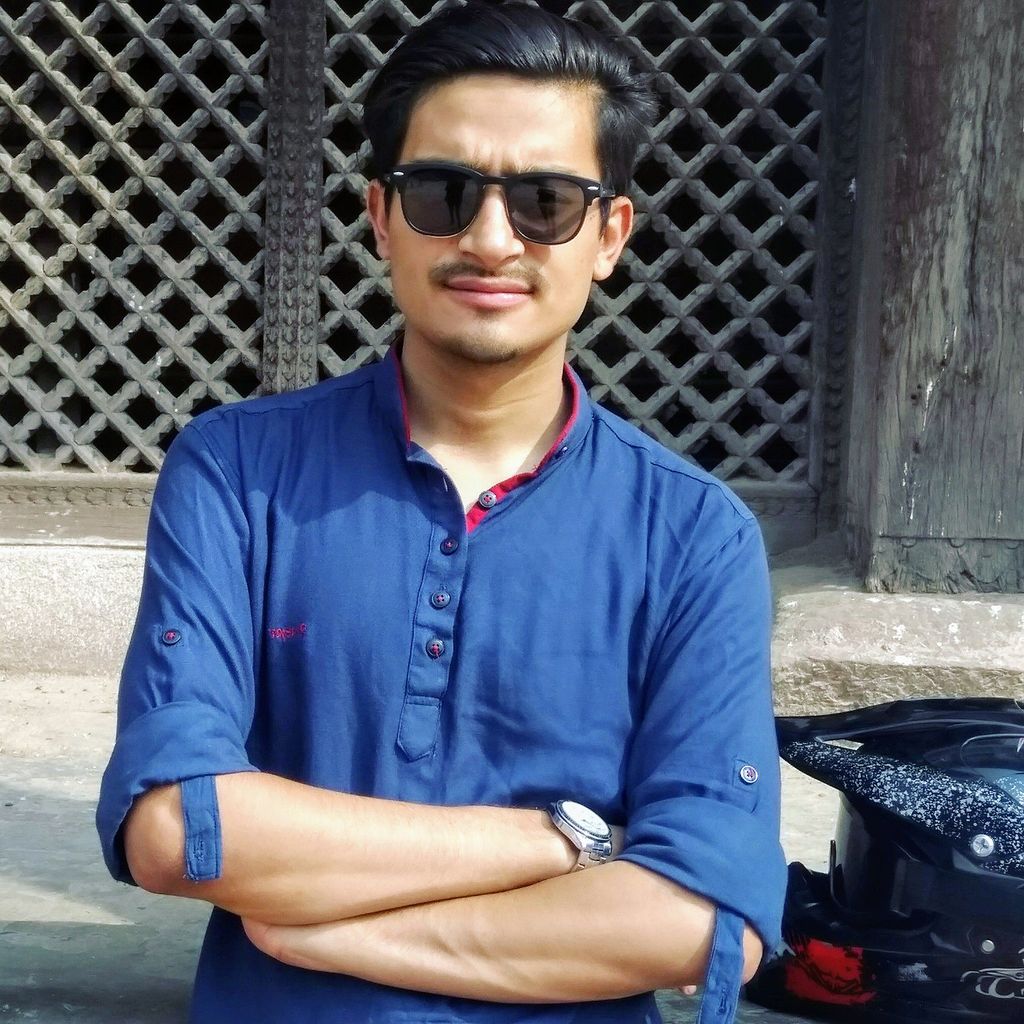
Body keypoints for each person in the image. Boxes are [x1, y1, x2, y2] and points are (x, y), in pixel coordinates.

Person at [96, 3, 786, 1022]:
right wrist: (562, 841)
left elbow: (696, 921)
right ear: (381, 216)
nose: (490, 239)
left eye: (546, 201)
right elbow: (174, 828)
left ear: (609, 235)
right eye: (442, 194)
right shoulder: (239, 472)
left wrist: (332, 934)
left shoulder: (692, 536)